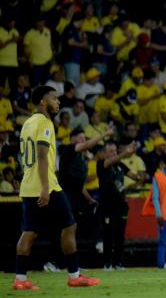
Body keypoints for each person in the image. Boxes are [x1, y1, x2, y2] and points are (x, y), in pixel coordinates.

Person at [13, 86, 99, 290]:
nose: (58, 102)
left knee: (29, 232)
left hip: (27, 185)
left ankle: (20, 280)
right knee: (70, 225)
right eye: (54, 99)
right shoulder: (45, 123)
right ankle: (74, 275)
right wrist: (45, 188)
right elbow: (42, 156)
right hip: (47, 185)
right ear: (43, 102)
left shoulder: (27, 123)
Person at [97, 141, 141, 270]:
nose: (114, 154)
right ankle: (107, 263)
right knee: (108, 234)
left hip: (120, 205)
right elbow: (110, 162)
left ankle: (118, 263)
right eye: (111, 151)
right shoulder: (102, 164)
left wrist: (139, 177)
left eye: (115, 151)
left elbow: (133, 176)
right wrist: (124, 153)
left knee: (120, 235)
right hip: (107, 206)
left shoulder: (119, 165)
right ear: (104, 153)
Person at [58, 127, 113, 229]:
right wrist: (105, 134)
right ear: (72, 139)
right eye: (81, 138)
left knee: (74, 226)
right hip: (65, 196)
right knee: (66, 227)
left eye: (84, 138)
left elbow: (79, 184)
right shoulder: (68, 149)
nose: (84, 141)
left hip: (76, 198)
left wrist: (89, 199)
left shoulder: (80, 158)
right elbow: (88, 145)